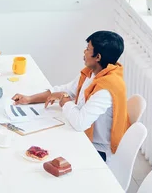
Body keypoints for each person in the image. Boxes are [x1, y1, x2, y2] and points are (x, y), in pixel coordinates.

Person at [12, 31, 129, 162]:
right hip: (81, 136)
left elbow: (80, 123)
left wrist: (65, 99)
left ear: (98, 57)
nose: (84, 52)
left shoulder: (106, 88)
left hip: (96, 149)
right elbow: (65, 90)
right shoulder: (93, 72)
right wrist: (29, 99)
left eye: (88, 49)